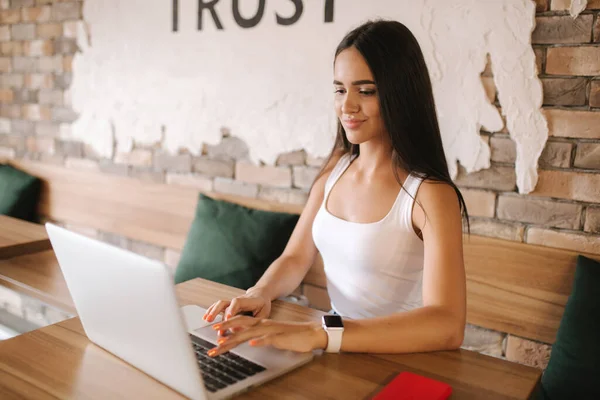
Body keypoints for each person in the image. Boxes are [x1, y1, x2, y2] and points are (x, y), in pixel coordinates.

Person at [203, 19, 469, 358]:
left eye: (366, 90)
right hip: (339, 351)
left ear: (401, 94)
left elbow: (447, 324)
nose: (347, 106)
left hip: (402, 358)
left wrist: (321, 333)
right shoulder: (336, 168)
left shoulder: (429, 194)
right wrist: (260, 292)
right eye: (340, 90)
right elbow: (296, 257)